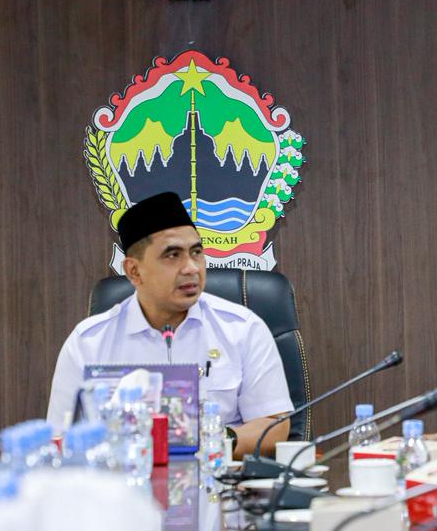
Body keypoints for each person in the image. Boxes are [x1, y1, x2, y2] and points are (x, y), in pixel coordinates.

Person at [48, 192, 294, 458]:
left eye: (196, 252)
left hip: (218, 478)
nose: (191, 268)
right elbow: (60, 439)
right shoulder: (88, 342)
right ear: (133, 271)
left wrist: (211, 439)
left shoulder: (242, 329)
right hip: (123, 480)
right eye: (172, 255)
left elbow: (275, 427)